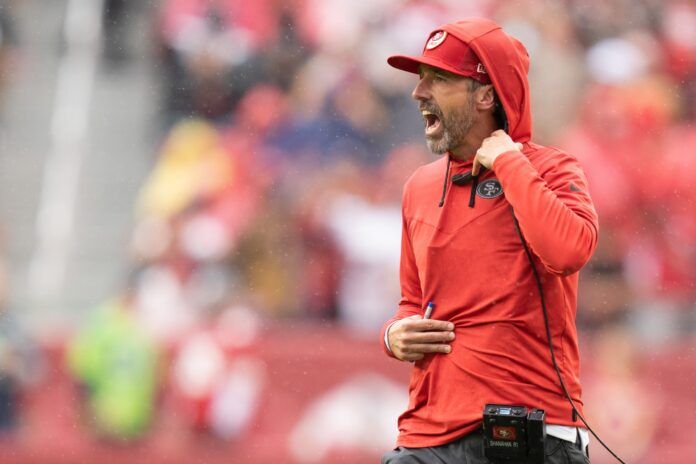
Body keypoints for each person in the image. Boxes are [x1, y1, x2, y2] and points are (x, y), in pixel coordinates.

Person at [380, 18, 598, 463]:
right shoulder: (417, 188)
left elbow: (569, 250)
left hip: (530, 430)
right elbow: (413, 301)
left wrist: (509, 163)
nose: (419, 94)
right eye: (422, 80)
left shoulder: (553, 170)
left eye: (438, 79)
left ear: (485, 93)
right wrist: (394, 336)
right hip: (428, 434)